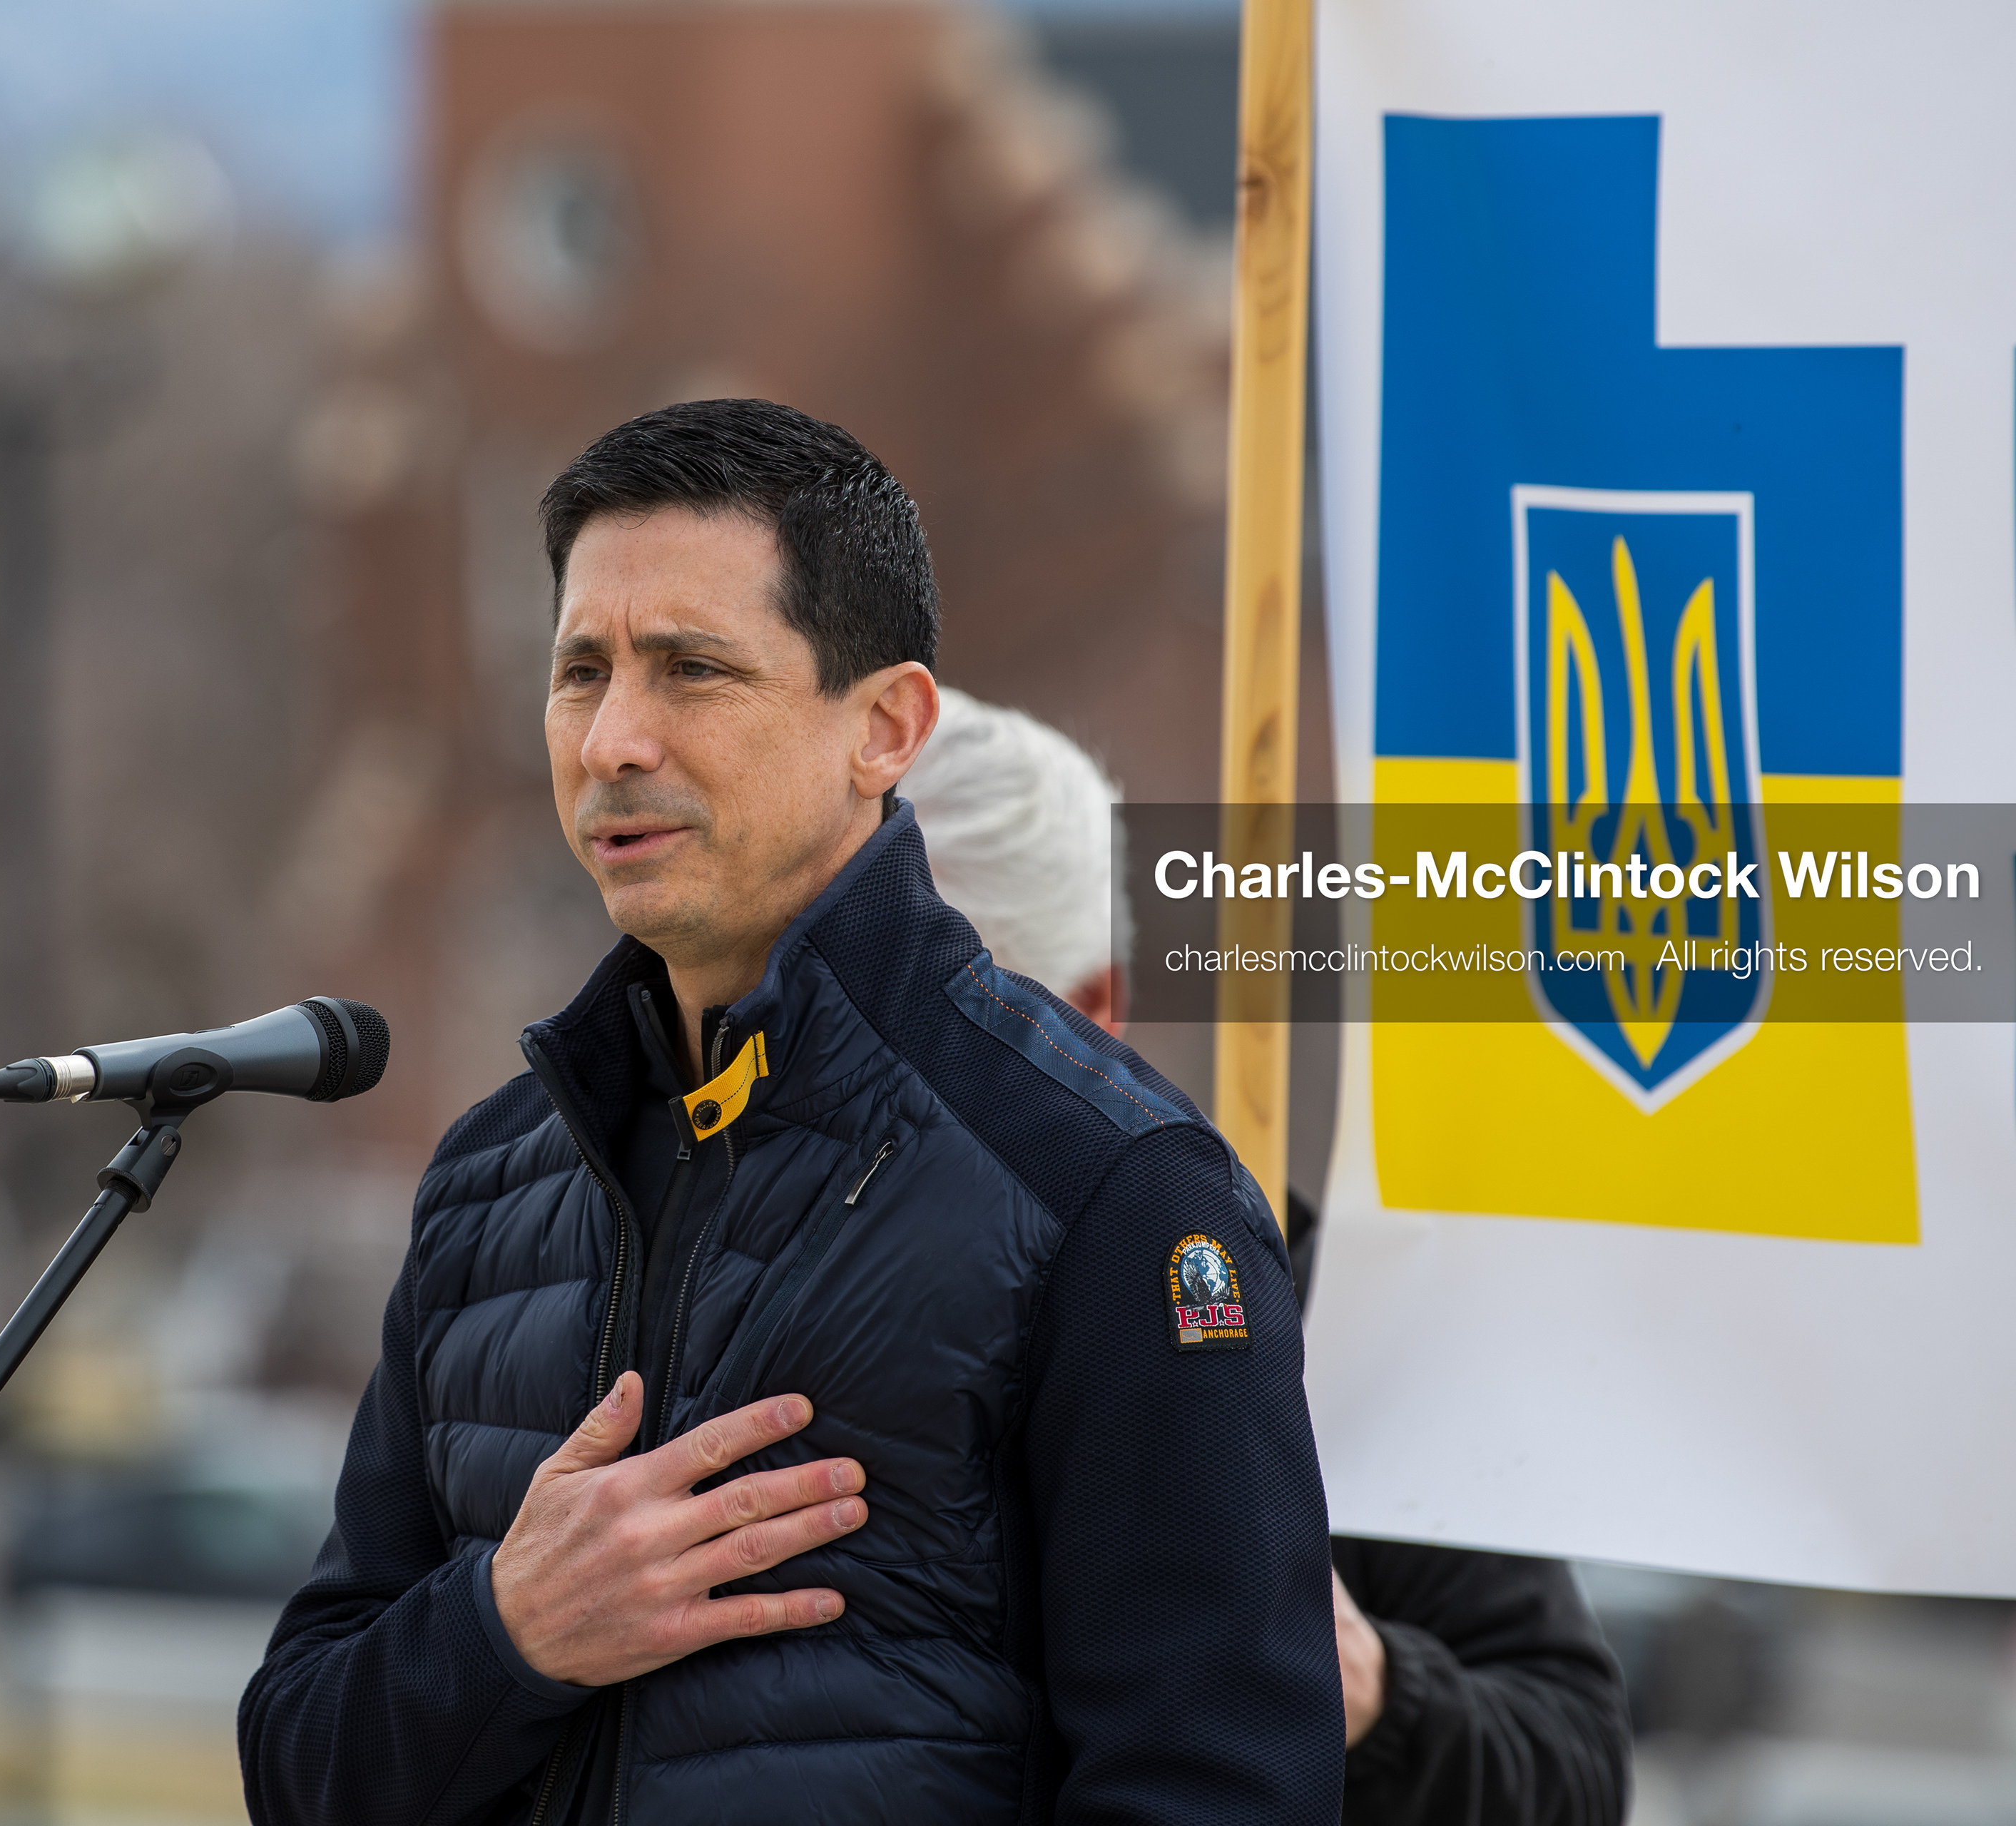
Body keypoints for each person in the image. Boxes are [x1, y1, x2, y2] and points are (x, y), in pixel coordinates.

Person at [239, 399, 1342, 1825]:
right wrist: (508, 1631)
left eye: (693, 668)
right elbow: (299, 1768)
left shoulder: (1113, 1185)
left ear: (886, 726)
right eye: (582, 671)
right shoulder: (490, 1177)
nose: (614, 738)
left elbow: (1219, 1791)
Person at [903, 688, 1633, 1826]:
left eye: (941, 1028)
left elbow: (1573, 1766)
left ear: (1096, 1006)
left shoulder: (1335, 1302)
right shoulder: (688, 1263)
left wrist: (1370, 1686)